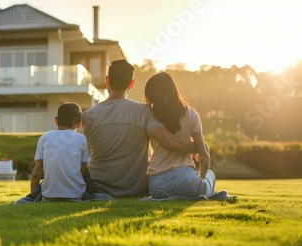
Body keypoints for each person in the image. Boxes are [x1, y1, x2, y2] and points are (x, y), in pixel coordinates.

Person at [82, 59, 197, 197]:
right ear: (132, 84)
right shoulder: (144, 111)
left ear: (107, 80)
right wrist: (199, 147)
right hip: (134, 190)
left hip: (99, 188)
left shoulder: (89, 115)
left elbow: (85, 154)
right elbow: (169, 142)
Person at [15, 102, 113, 203]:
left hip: (48, 196)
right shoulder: (81, 139)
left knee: (22, 201)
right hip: (76, 195)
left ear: (56, 120)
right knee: (107, 198)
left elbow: (36, 173)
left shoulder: (44, 138)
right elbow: (83, 171)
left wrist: (33, 196)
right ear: (78, 123)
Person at [144, 71, 217, 198]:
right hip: (186, 180)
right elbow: (204, 156)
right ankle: (200, 192)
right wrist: (201, 179)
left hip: (156, 185)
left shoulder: (150, 116)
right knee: (210, 175)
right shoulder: (191, 114)